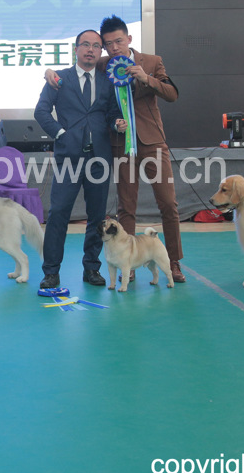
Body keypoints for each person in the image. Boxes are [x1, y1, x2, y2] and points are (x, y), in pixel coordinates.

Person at [44, 15, 186, 284]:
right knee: (126, 207)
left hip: (153, 142)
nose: (113, 48)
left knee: (168, 204)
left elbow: (172, 93)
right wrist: (48, 72)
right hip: (120, 144)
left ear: (129, 38)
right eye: (108, 44)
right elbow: (75, 68)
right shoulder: (101, 63)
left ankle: (173, 261)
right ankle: (127, 265)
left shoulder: (152, 62)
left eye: (118, 41)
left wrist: (146, 78)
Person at [33, 30, 121, 289]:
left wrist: (117, 123)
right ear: (76, 48)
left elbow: (111, 114)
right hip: (68, 158)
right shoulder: (59, 78)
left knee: (97, 217)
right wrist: (60, 133)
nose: (90, 50)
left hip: (99, 159)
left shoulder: (108, 81)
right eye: (85, 45)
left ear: (100, 51)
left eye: (96, 46)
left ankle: (92, 268)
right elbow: (41, 110)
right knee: (58, 213)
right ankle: (51, 272)